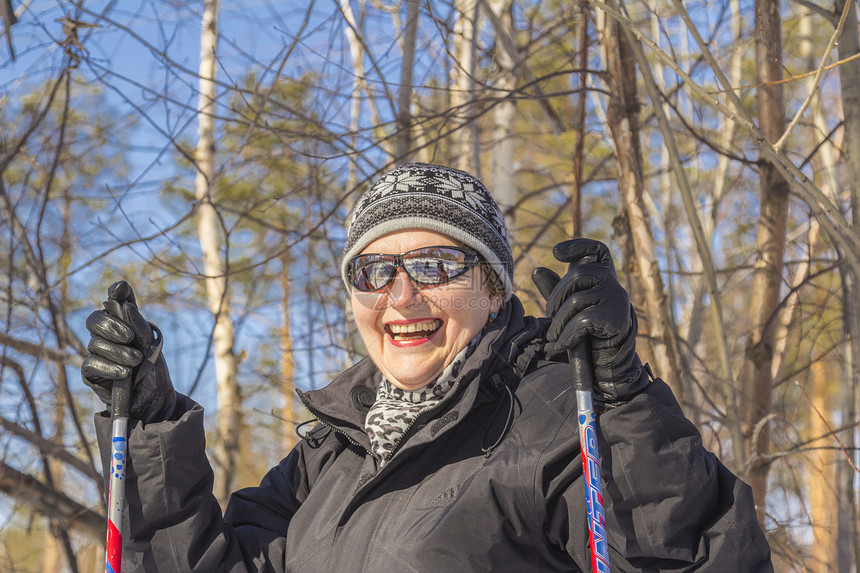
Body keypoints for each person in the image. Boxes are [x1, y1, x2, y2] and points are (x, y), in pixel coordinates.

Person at [82, 162, 773, 572]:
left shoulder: (559, 422)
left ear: (494, 288)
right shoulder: (331, 455)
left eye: (437, 265)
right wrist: (150, 426)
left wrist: (623, 403)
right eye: (374, 270)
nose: (402, 295)